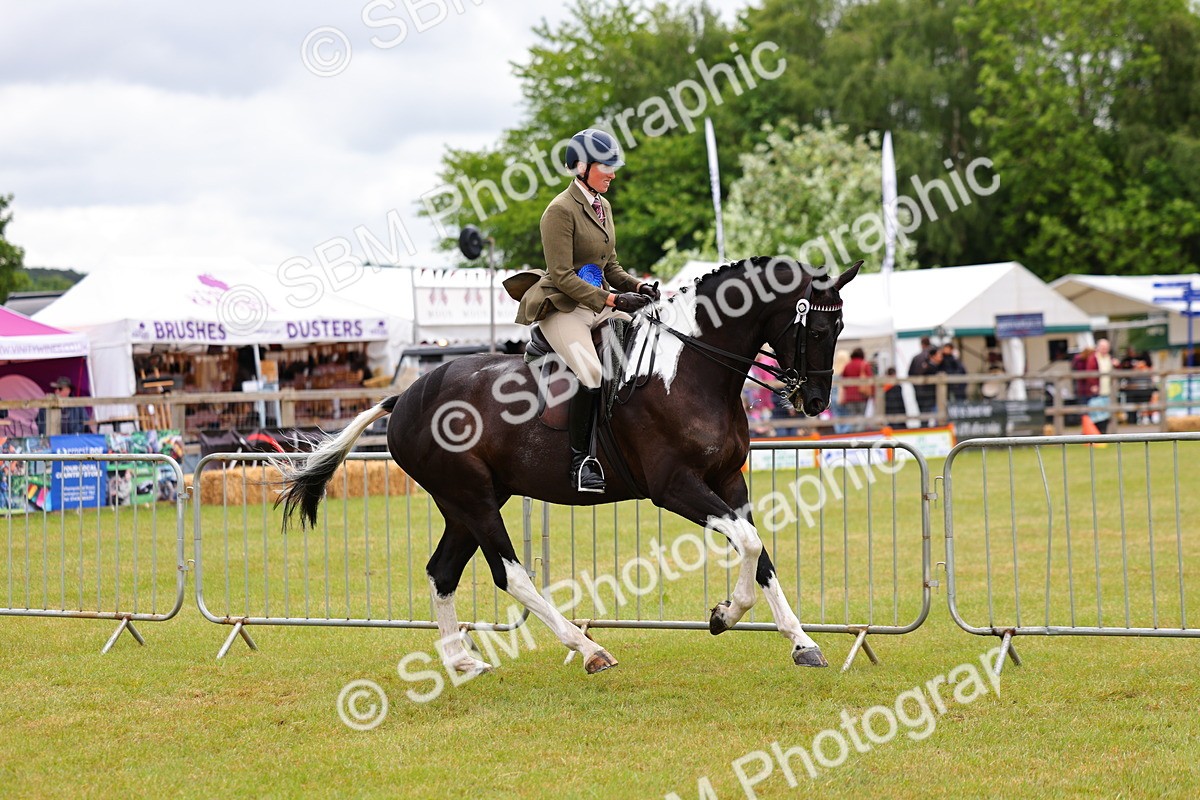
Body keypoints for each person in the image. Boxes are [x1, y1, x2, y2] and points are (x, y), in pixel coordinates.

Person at [511, 129, 657, 493]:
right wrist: (612, 301)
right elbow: (561, 276)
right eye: (607, 166)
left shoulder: (603, 206)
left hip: (598, 304)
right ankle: (581, 462)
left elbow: (611, 268)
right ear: (581, 166)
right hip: (564, 308)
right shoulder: (558, 211)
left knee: (648, 338)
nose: (613, 173)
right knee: (592, 373)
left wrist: (637, 287)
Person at [839, 347, 874, 432]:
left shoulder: (847, 365)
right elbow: (870, 380)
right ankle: (859, 436)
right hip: (862, 396)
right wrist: (872, 394)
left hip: (850, 397)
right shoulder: (864, 365)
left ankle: (853, 434)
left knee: (852, 417)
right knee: (861, 416)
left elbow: (843, 381)